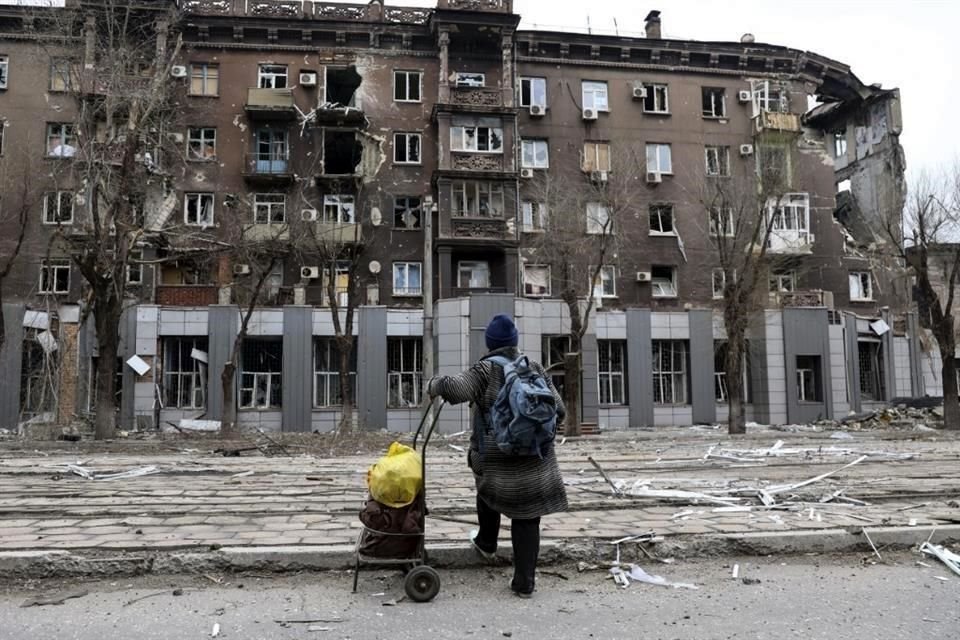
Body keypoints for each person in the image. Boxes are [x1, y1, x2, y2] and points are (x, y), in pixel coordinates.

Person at [427, 313, 567, 598]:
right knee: (528, 517)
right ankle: (524, 583)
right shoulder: (534, 367)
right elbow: (560, 409)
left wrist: (435, 384)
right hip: (537, 459)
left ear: (490, 343)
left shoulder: (485, 370)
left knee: (487, 490)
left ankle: (487, 543)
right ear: (514, 342)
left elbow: (456, 389)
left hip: (498, 460)